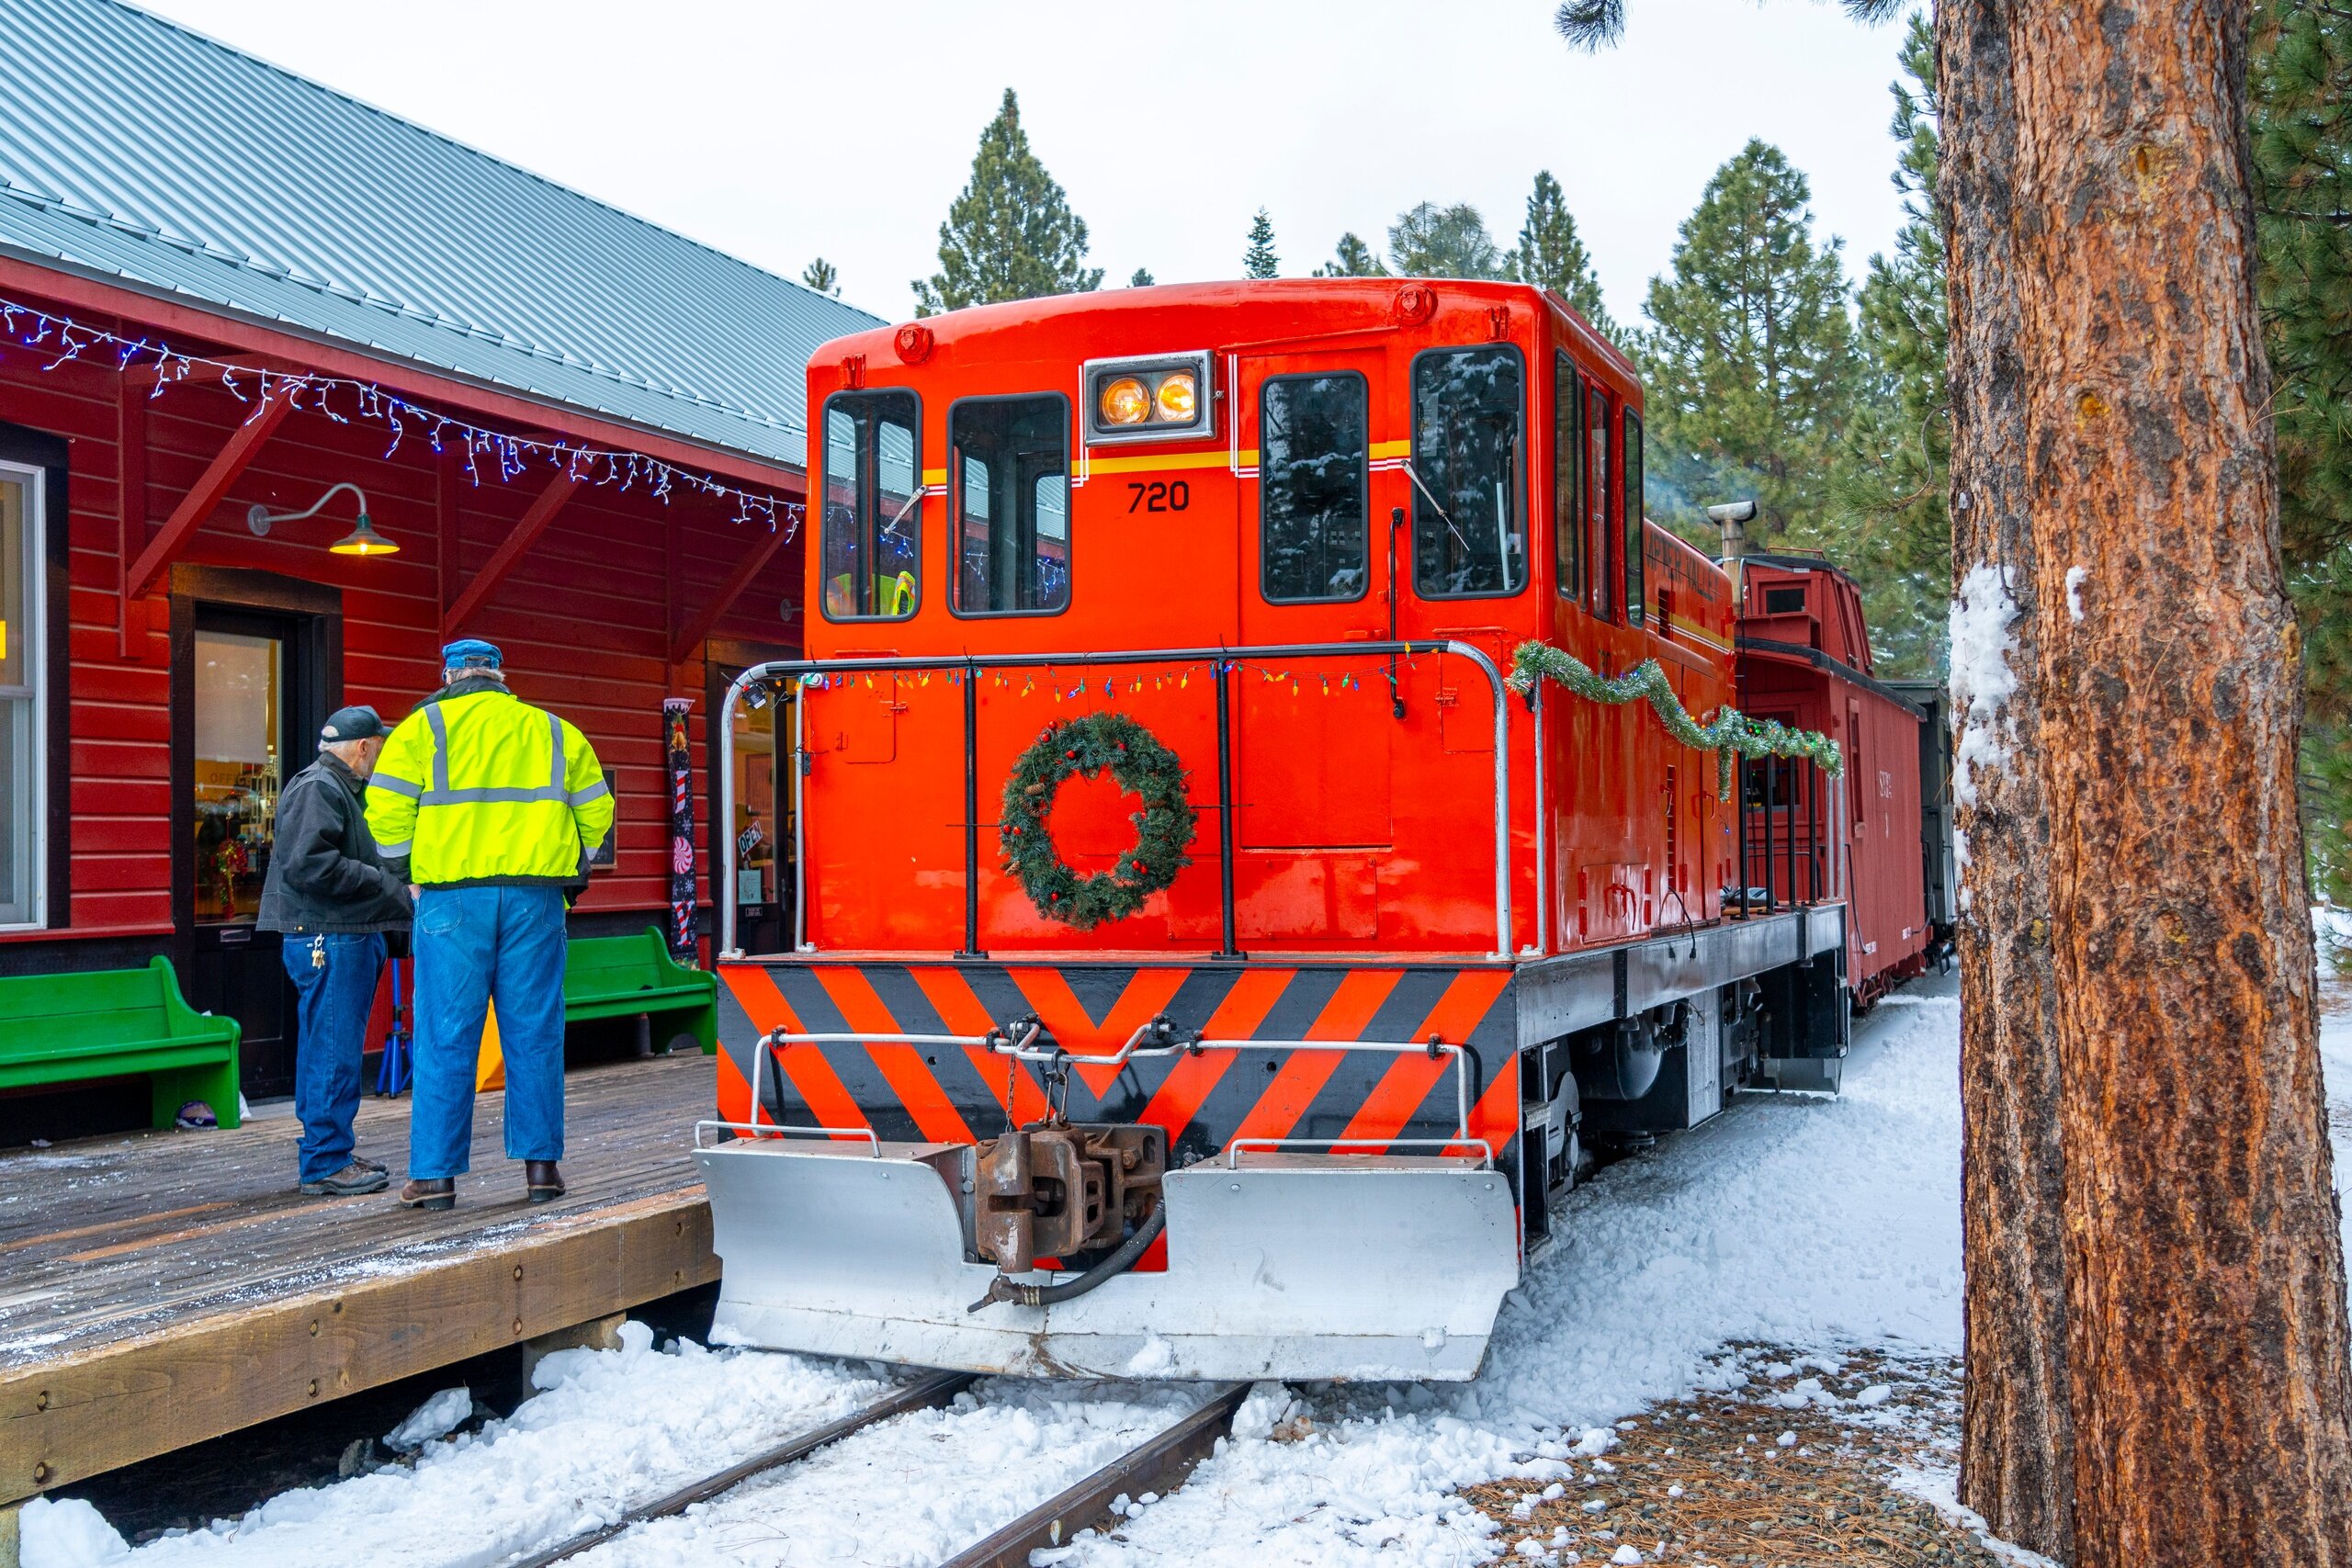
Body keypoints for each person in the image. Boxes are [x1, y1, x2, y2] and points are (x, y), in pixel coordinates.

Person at [364, 640, 614, 1210]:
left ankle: (433, 1177)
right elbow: (598, 813)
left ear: (450, 675)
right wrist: (570, 873)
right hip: (536, 899)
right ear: (502, 677)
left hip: (450, 899)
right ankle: (542, 1170)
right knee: (535, 1033)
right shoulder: (555, 732)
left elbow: (384, 810)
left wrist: (408, 870)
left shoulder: (421, 729)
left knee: (446, 1035)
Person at [256, 705, 413, 1197]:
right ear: (363, 747)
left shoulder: (331, 786)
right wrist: (390, 886)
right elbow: (311, 866)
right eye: (379, 747)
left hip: (338, 933)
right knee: (332, 1051)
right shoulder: (321, 787)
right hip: (332, 936)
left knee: (331, 1049)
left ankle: (332, 1152)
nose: (380, 758)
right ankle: (325, 1160)